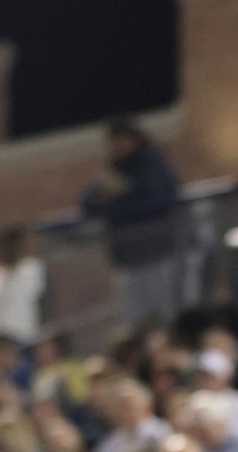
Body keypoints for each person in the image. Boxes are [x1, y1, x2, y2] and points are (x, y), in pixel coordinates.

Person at [81, 121, 184, 330]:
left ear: (132, 139)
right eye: (111, 142)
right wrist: (107, 197)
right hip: (128, 258)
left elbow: (159, 198)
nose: (115, 147)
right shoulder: (115, 169)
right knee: (134, 319)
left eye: (119, 140)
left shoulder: (151, 163)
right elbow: (87, 203)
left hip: (156, 251)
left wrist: (120, 196)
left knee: (165, 313)